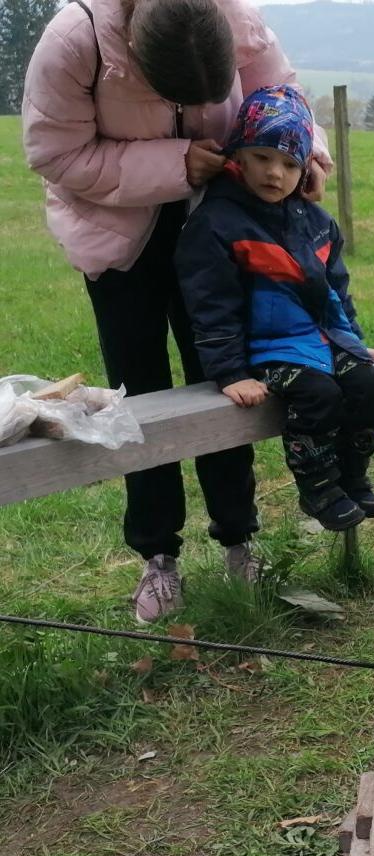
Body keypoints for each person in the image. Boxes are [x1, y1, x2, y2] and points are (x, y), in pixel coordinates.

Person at [22, 0, 333, 623]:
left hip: (216, 228)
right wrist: (173, 164)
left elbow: (280, 93)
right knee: (139, 396)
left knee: (226, 380)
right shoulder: (75, 38)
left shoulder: (232, 13)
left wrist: (310, 154)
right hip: (117, 237)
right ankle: (157, 556)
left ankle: (239, 541)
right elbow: (55, 154)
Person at [175, 85, 374, 532]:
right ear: (238, 154)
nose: (275, 173)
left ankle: (351, 475)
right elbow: (211, 304)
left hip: (318, 340)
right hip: (265, 353)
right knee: (319, 394)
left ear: (306, 169)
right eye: (262, 157)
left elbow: (336, 291)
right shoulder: (216, 223)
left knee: (371, 385)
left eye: (290, 163)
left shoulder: (315, 223)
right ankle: (319, 487)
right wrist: (231, 372)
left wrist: (354, 345)